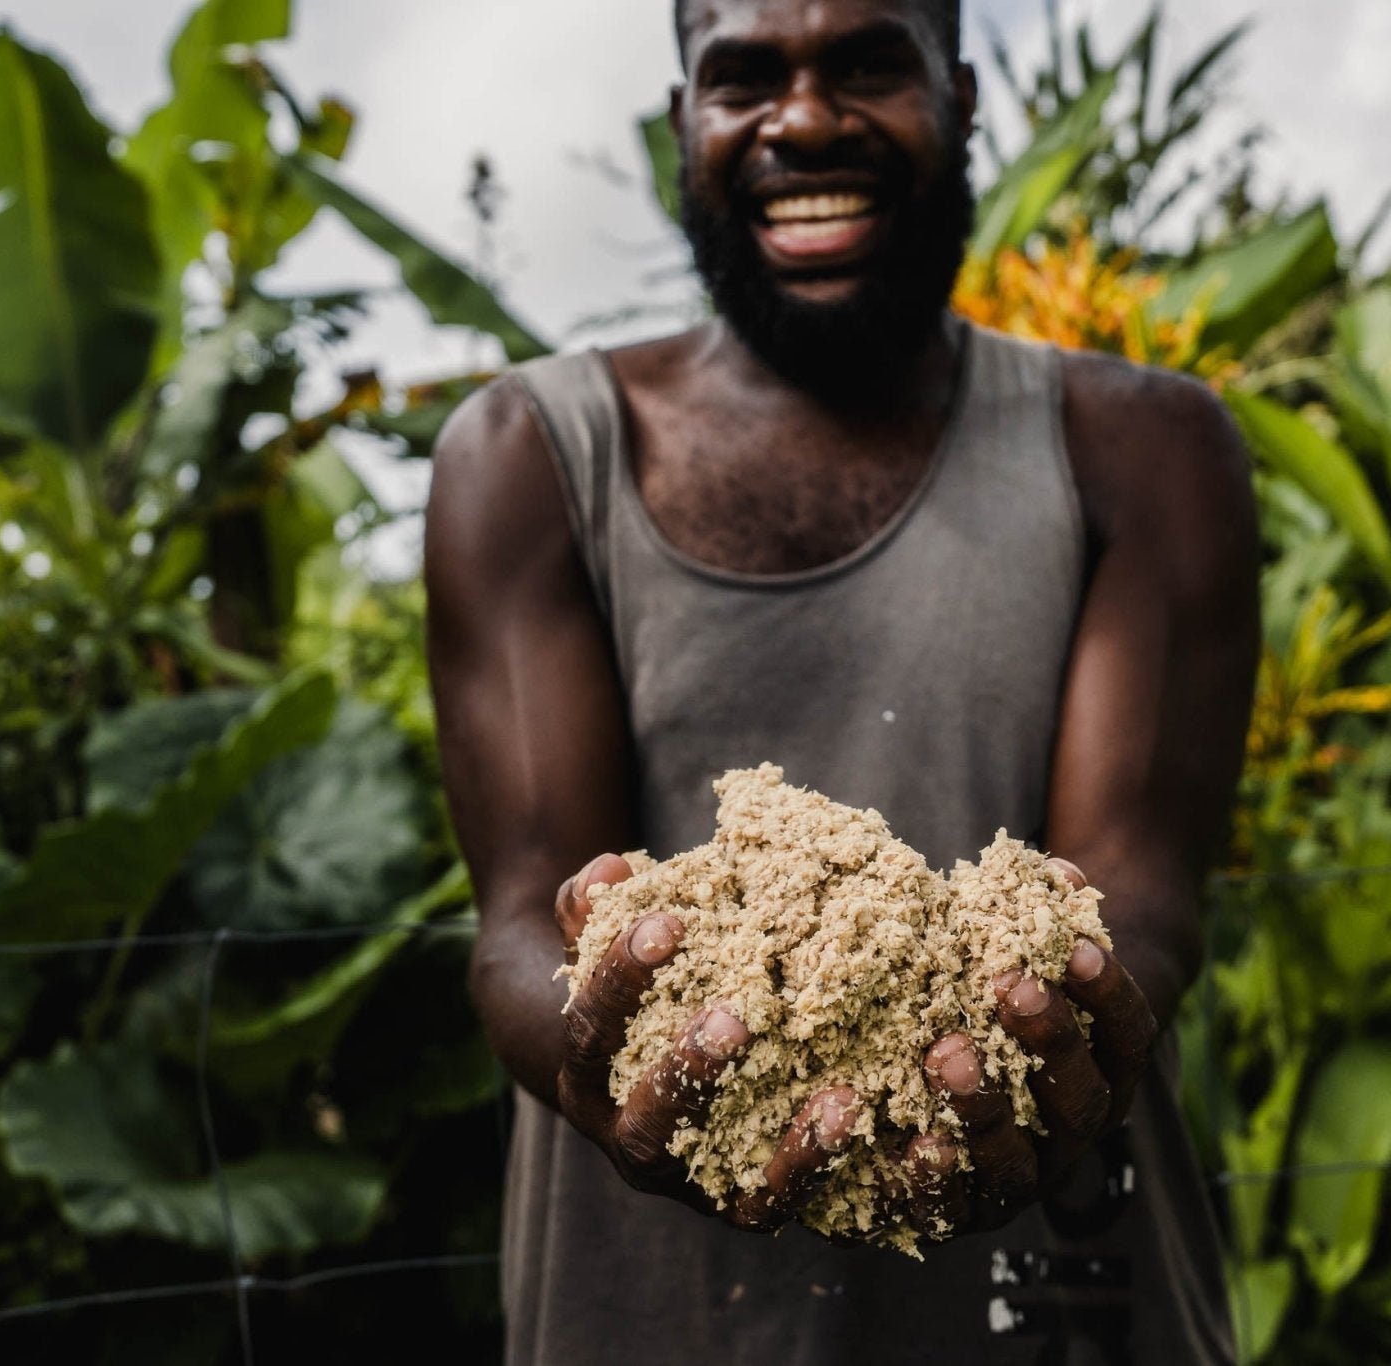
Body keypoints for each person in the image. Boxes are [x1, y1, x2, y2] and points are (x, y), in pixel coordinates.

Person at [422, 0, 1259, 1360]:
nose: (803, 120)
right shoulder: (528, 452)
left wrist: (1066, 1026)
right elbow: (525, 909)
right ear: (685, 117)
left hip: (1056, 1308)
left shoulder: (1142, 449)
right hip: (649, 1319)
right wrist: (600, 1051)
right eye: (744, 76)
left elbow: (1141, 882)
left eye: (869, 63)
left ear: (964, 96)